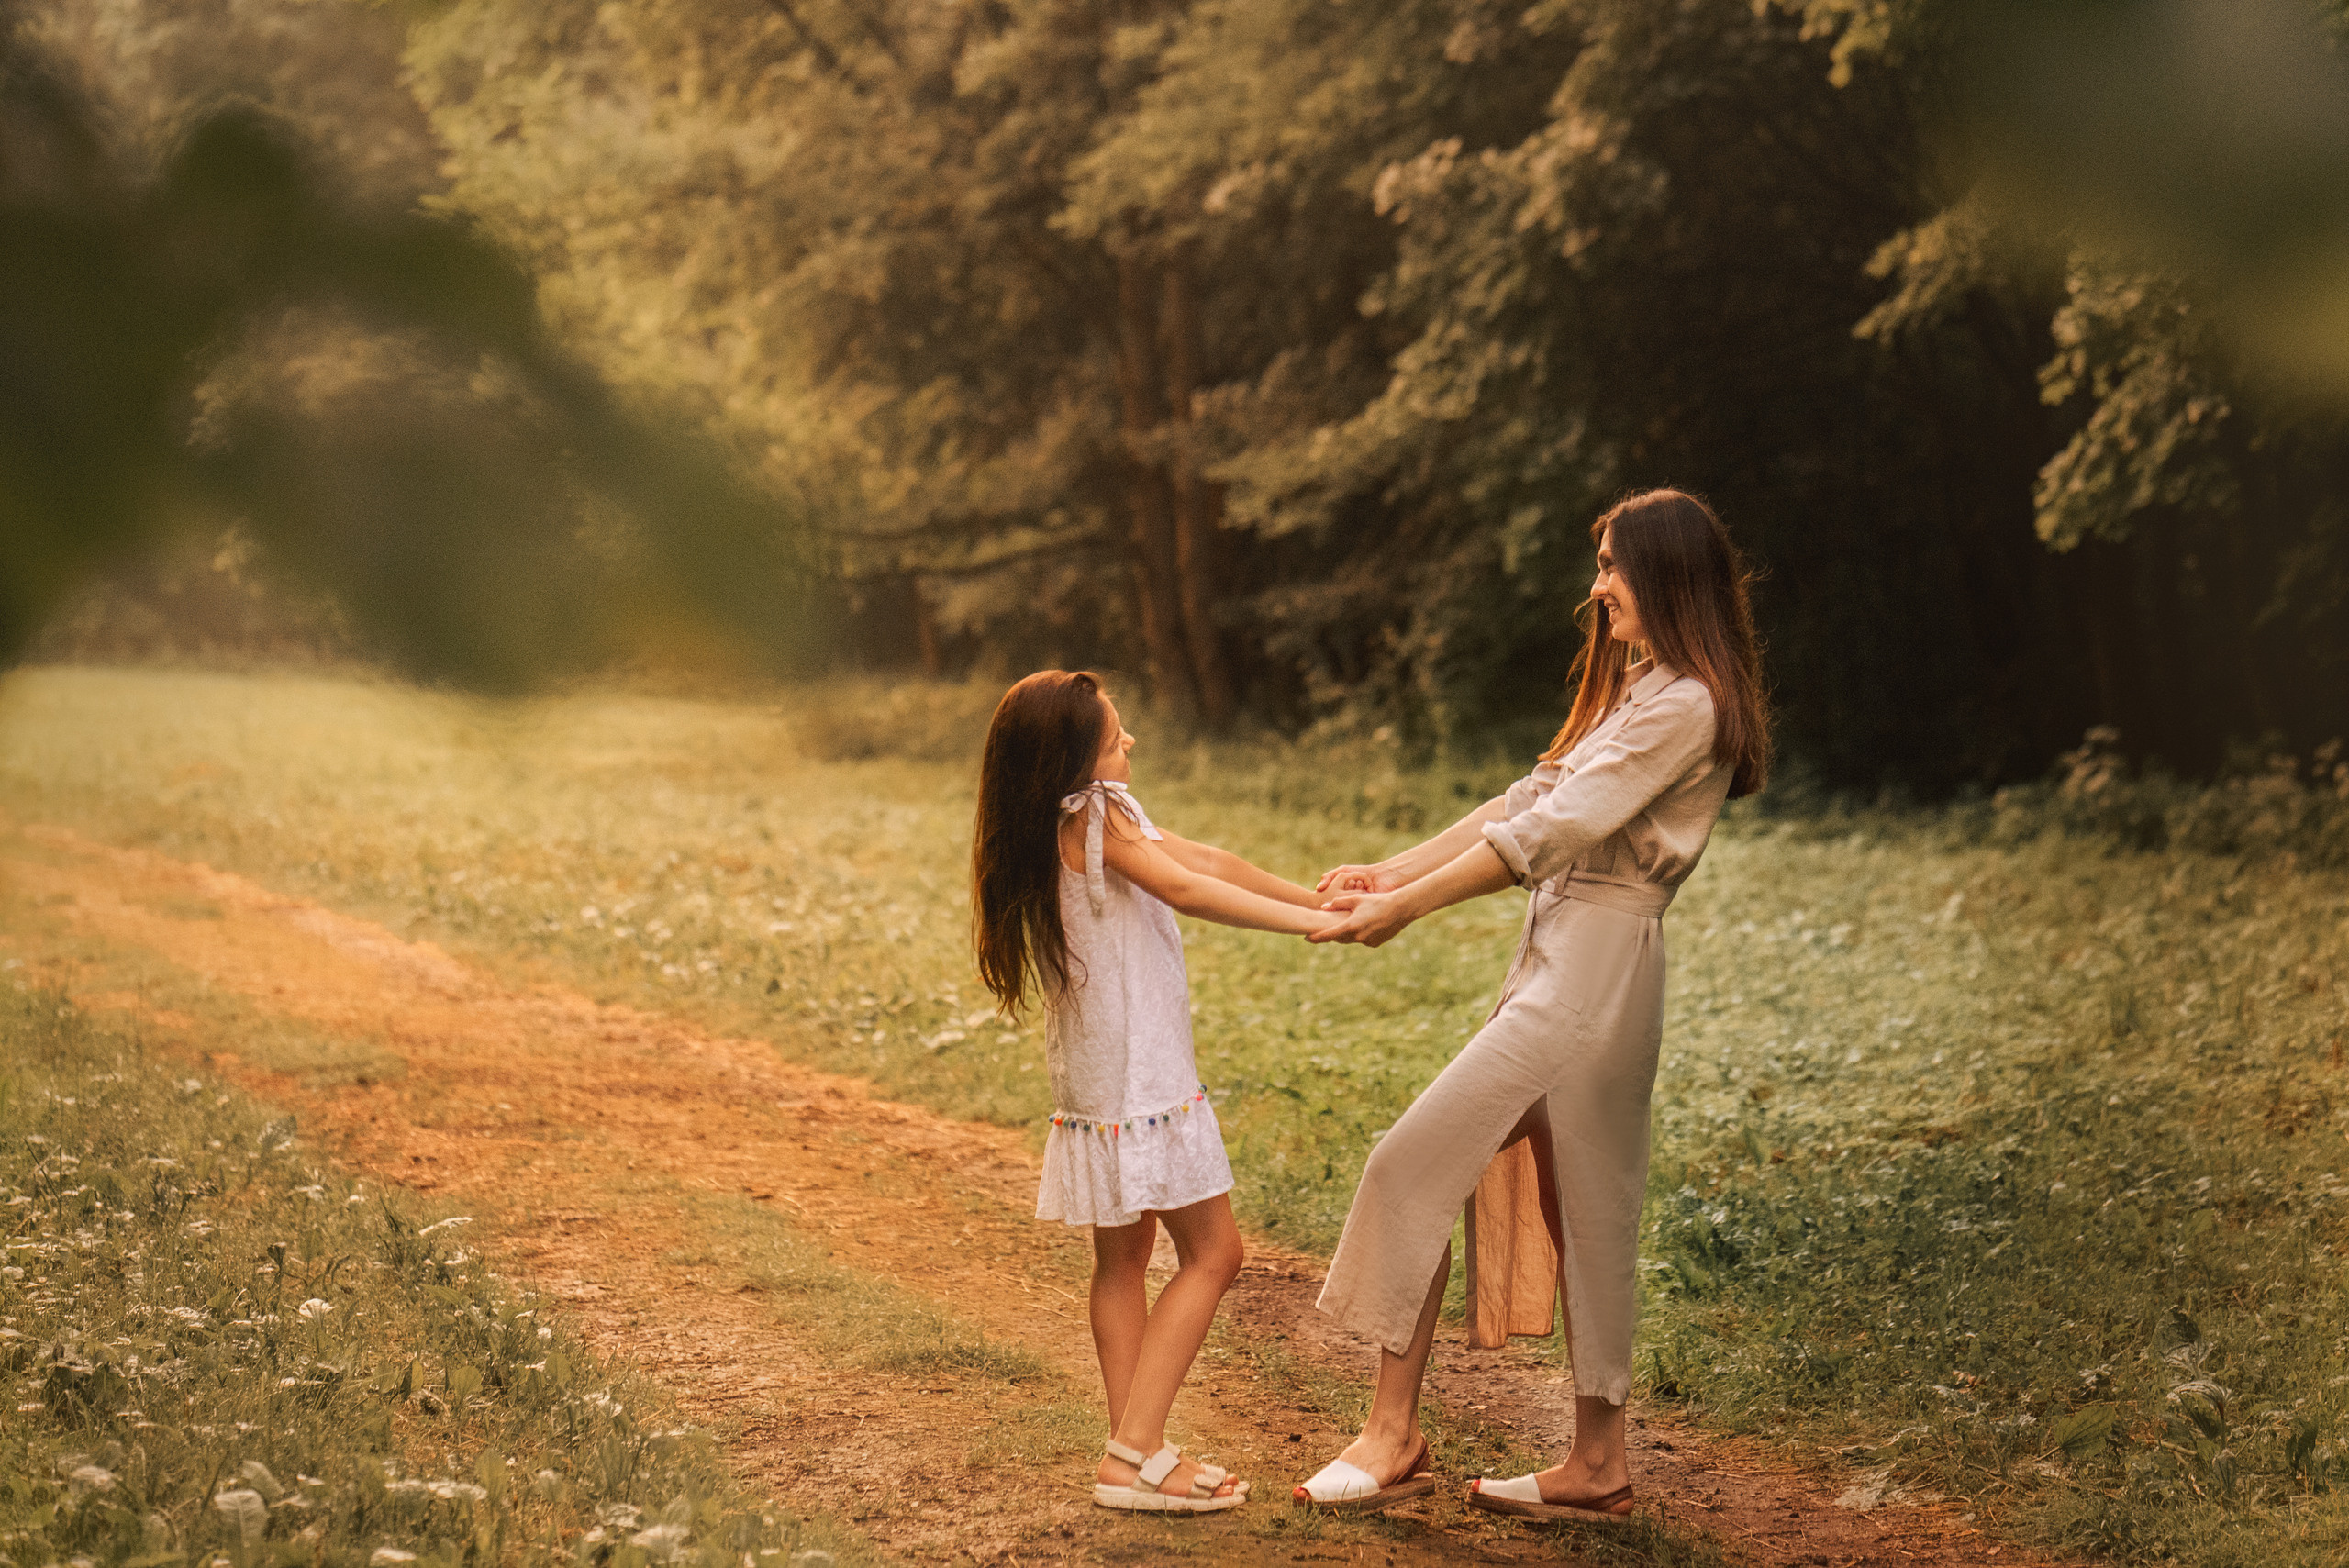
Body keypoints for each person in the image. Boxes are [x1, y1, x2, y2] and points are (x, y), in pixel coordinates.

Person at [1294, 489, 1770, 1521]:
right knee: (1571, 1206)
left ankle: (1397, 1435)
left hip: (1598, 970)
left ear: (1666, 575)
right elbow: (1523, 802)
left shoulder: (1689, 704)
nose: (1596, 585)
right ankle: (1589, 1465)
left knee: (1435, 1166)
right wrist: (1389, 869)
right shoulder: (1638, 690)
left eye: (1611, 564)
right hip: (1561, 956)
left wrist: (1409, 909)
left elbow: (1550, 837)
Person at [971, 670, 1341, 1513]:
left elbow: (1204, 859)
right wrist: (1315, 926)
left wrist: (1312, 894)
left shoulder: (1078, 817)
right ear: (1074, 759)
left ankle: (1138, 1454)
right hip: (1142, 1078)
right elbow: (1185, 886)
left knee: (1125, 1258)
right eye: (1114, 735)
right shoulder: (1092, 816)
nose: (1129, 741)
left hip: (1101, 1079)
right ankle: (1134, 1449)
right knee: (1216, 1254)